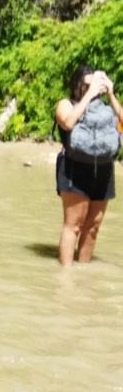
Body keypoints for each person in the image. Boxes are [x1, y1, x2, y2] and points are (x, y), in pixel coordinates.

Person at [54, 64, 123, 265]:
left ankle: (83, 273)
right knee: (73, 225)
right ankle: (65, 277)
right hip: (73, 169)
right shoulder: (65, 104)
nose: (89, 88)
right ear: (75, 85)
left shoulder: (105, 109)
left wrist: (110, 94)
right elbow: (67, 122)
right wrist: (89, 95)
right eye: (85, 84)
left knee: (93, 226)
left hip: (103, 170)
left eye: (93, 84)